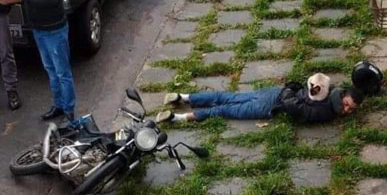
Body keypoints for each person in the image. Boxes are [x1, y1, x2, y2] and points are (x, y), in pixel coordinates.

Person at [156, 78, 364, 124]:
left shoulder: (330, 88)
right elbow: (296, 110)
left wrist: (289, 89)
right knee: (224, 109)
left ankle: (183, 98)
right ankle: (177, 116)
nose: (346, 110)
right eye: (347, 105)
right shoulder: (327, 111)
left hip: (273, 93)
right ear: (345, 95)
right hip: (271, 105)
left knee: (227, 99)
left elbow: (299, 87)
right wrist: (288, 94)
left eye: (350, 110)